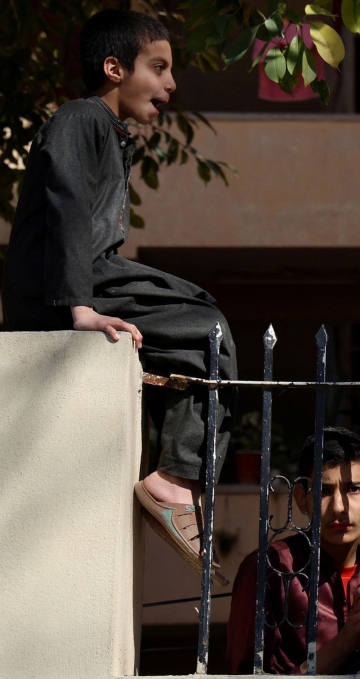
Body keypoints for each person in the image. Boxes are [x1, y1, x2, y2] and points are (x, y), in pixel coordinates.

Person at [0, 9, 237, 581]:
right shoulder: (80, 118)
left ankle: (178, 474)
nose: (171, 84)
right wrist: (79, 306)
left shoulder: (110, 131)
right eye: (158, 67)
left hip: (88, 273)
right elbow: (65, 204)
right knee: (207, 328)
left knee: (197, 324)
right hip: (67, 280)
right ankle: (176, 479)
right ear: (114, 68)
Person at [226, 427, 360, 674]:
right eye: (324, 491)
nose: (339, 506)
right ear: (302, 499)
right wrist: (344, 642)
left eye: (353, 489)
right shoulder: (272, 568)